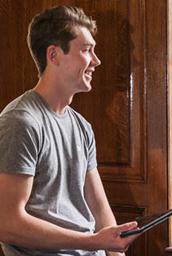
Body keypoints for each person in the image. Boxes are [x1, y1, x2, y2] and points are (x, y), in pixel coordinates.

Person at [0, 5, 140, 256]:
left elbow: (100, 210)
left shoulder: (82, 127)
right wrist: (95, 242)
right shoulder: (20, 122)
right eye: (86, 50)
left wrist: (112, 249)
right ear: (53, 55)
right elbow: (7, 224)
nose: (96, 61)